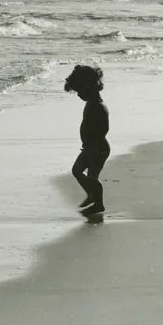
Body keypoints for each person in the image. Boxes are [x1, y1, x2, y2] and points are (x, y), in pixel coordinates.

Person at [65, 65, 110, 217]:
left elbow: (104, 128)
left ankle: (98, 204)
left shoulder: (98, 105)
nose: (78, 95)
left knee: (92, 177)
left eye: (79, 91)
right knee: (77, 171)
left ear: (88, 87)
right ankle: (92, 195)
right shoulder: (91, 102)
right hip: (90, 146)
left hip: (98, 148)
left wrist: (93, 145)